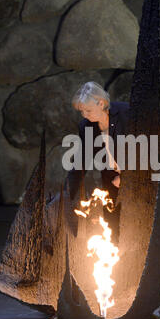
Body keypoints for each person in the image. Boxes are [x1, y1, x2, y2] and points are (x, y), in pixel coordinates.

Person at [65, 81, 129, 243]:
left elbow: (146, 151)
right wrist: (67, 192)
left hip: (139, 176)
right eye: (81, 111)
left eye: (88, 110)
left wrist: (127, 177)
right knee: (112, 222)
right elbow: (81, 161)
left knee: (133, 222)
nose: (84, 115)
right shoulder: (86, 126)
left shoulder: (127, 114)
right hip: (110, 179)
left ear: (101, 103)